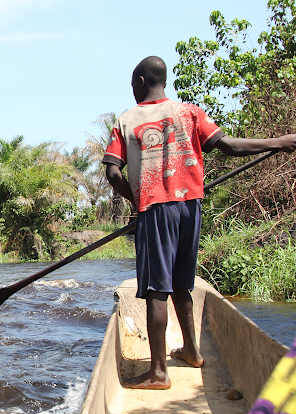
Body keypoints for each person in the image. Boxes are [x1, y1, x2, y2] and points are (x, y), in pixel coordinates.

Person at [103, 55, 296, 390]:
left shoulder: (127, 119)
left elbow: (113, 171)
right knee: (181, 284)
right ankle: (192, 351)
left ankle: (159, 372)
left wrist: (134, 200)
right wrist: (279, 143)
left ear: (138, 81)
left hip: (156, 209)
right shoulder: (190, 113)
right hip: (190, 207)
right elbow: (230, 146)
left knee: (155, 292)